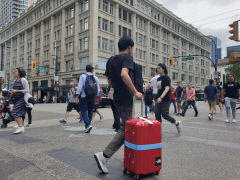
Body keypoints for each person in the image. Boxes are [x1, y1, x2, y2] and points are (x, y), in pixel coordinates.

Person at [94, 36, 142, 174]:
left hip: (116, 96)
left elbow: (109, 80)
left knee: (125, 127)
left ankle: (129, 155)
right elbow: (124, 74)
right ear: (129, 48)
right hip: (126, 96)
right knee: (126, 129)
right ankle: (104, 156)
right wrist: (135, 91)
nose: (132, 50)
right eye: (132, 48)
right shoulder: (127, 58)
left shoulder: (110, 60)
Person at [155, 63, 181, 134]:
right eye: (157, 68)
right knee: (157, 114)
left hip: (165, 99)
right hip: (159, 98)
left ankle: (176, 123)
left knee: (165, 115)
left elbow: (167, 88)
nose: (158, 69)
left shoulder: (167, 78)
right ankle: (158, 132)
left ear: (163, 69)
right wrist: (156, 98)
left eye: (159, 68)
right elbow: (159, 89)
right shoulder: (158, 78)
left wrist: (161, 97)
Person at [76, 65, 100, 133]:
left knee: (83, 111)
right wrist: (96, 97)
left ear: (86, 70)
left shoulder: (83, 76)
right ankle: (87, 127)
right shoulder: (95, 77)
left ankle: (88, 125)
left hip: (84, 96)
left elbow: (80, 87)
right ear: (92, 70)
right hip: (92, 97)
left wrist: (77, 96)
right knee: (90, 111)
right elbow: (98, 89)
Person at [9, 68, 29, 134]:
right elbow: (15, 90)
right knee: (14, 113)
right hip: (15, 99)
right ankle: (20, 127)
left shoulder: (23, 80)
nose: (14, 72)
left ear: (19, 72)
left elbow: (27, 90)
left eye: (16, 71)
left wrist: (16, 91)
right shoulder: (15, 80)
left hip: (22, 99)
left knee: (15, 113)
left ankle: (20, 127)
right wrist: (12, 92)